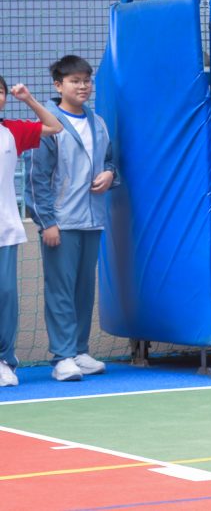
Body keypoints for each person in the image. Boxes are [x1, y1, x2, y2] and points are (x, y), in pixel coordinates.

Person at [25, 55, 117, 382]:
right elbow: (36, 179)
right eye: (74, 81)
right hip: (61, 222)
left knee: (83, 290)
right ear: (58, 85)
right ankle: (62, 357)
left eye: (86, 80)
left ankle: (79, 350)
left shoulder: (99, 123)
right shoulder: (48, 125)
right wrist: (46, 222)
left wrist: (109, 174)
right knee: (60, 291)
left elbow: (110, 161)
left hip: (92, 220)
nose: (82, 86)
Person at [0, 79, 63, 387]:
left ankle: (4, 361)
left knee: (5, 296)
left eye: (0, 92)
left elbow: (55, 127)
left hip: (4, 232)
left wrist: (28, 99)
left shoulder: (12, 131)